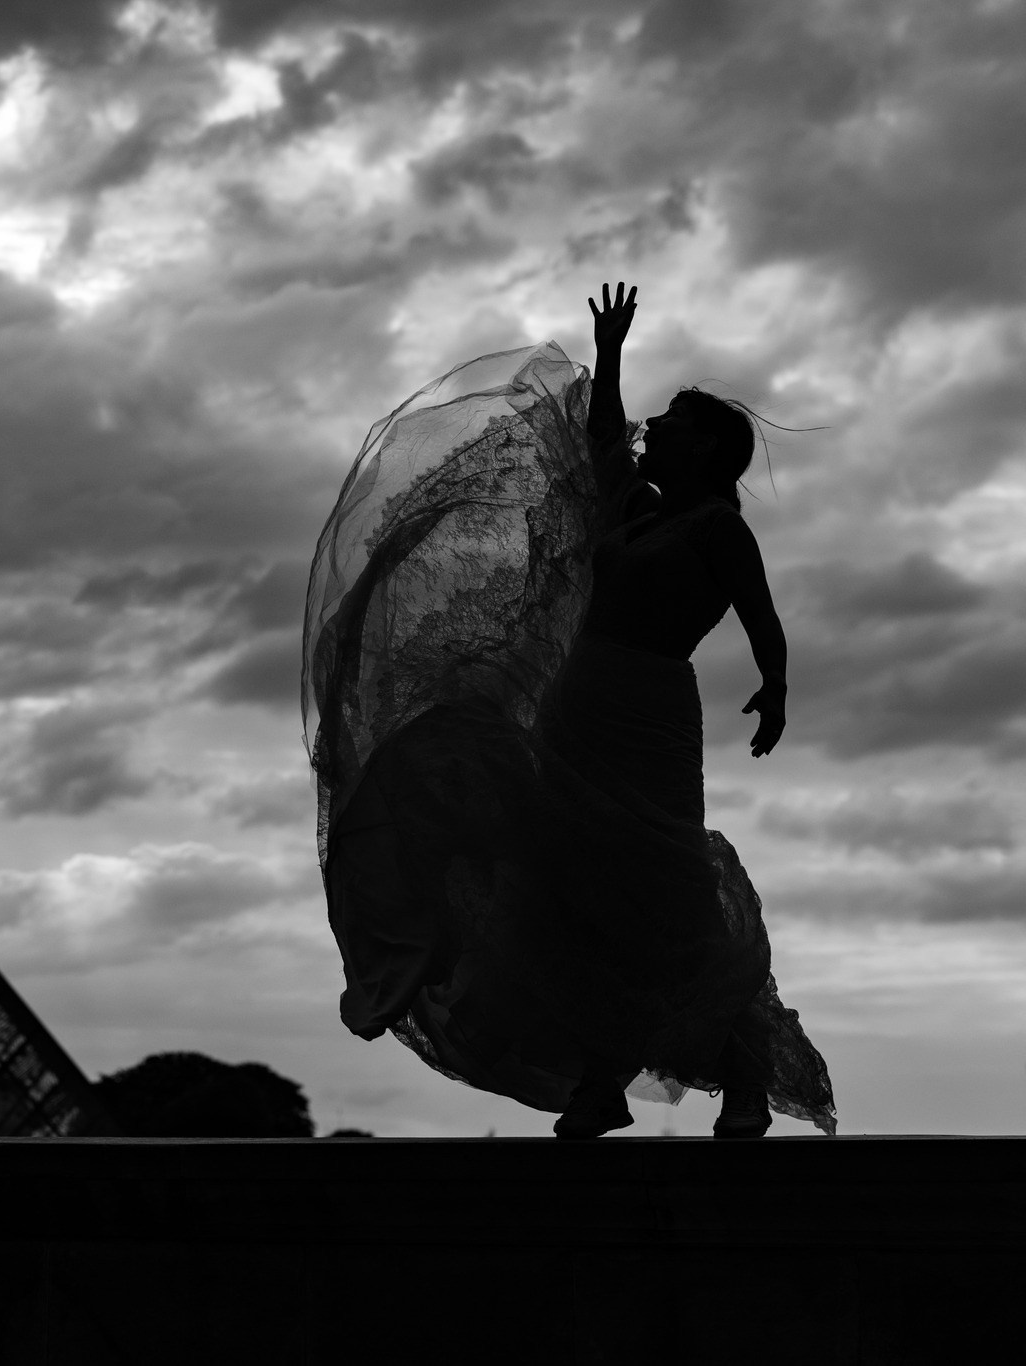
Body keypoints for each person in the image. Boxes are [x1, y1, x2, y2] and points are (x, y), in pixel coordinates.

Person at [301, 284, 835, 1138]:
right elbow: (602, 447)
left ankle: (742, 1071)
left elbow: (763, 618)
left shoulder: (715, 531)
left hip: (650, 715)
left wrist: (774, 686)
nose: (651, 428)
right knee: (572, 887)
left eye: (672, 423)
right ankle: (598, 1080)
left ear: (708, 452)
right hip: (581, 708)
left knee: (663, 888)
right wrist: (612, 351)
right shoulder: (640, 514)